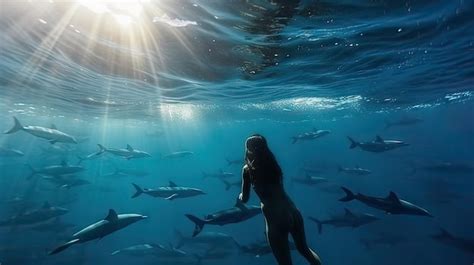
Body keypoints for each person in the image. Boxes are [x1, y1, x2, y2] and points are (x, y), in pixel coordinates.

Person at [238, 134, 322, 265]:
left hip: (276, 218)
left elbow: (245, 199)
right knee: (305, 250)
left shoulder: (247, 170)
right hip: (293, 211)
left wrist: (240, 196)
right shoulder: (273, 164)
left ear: (248, 149)